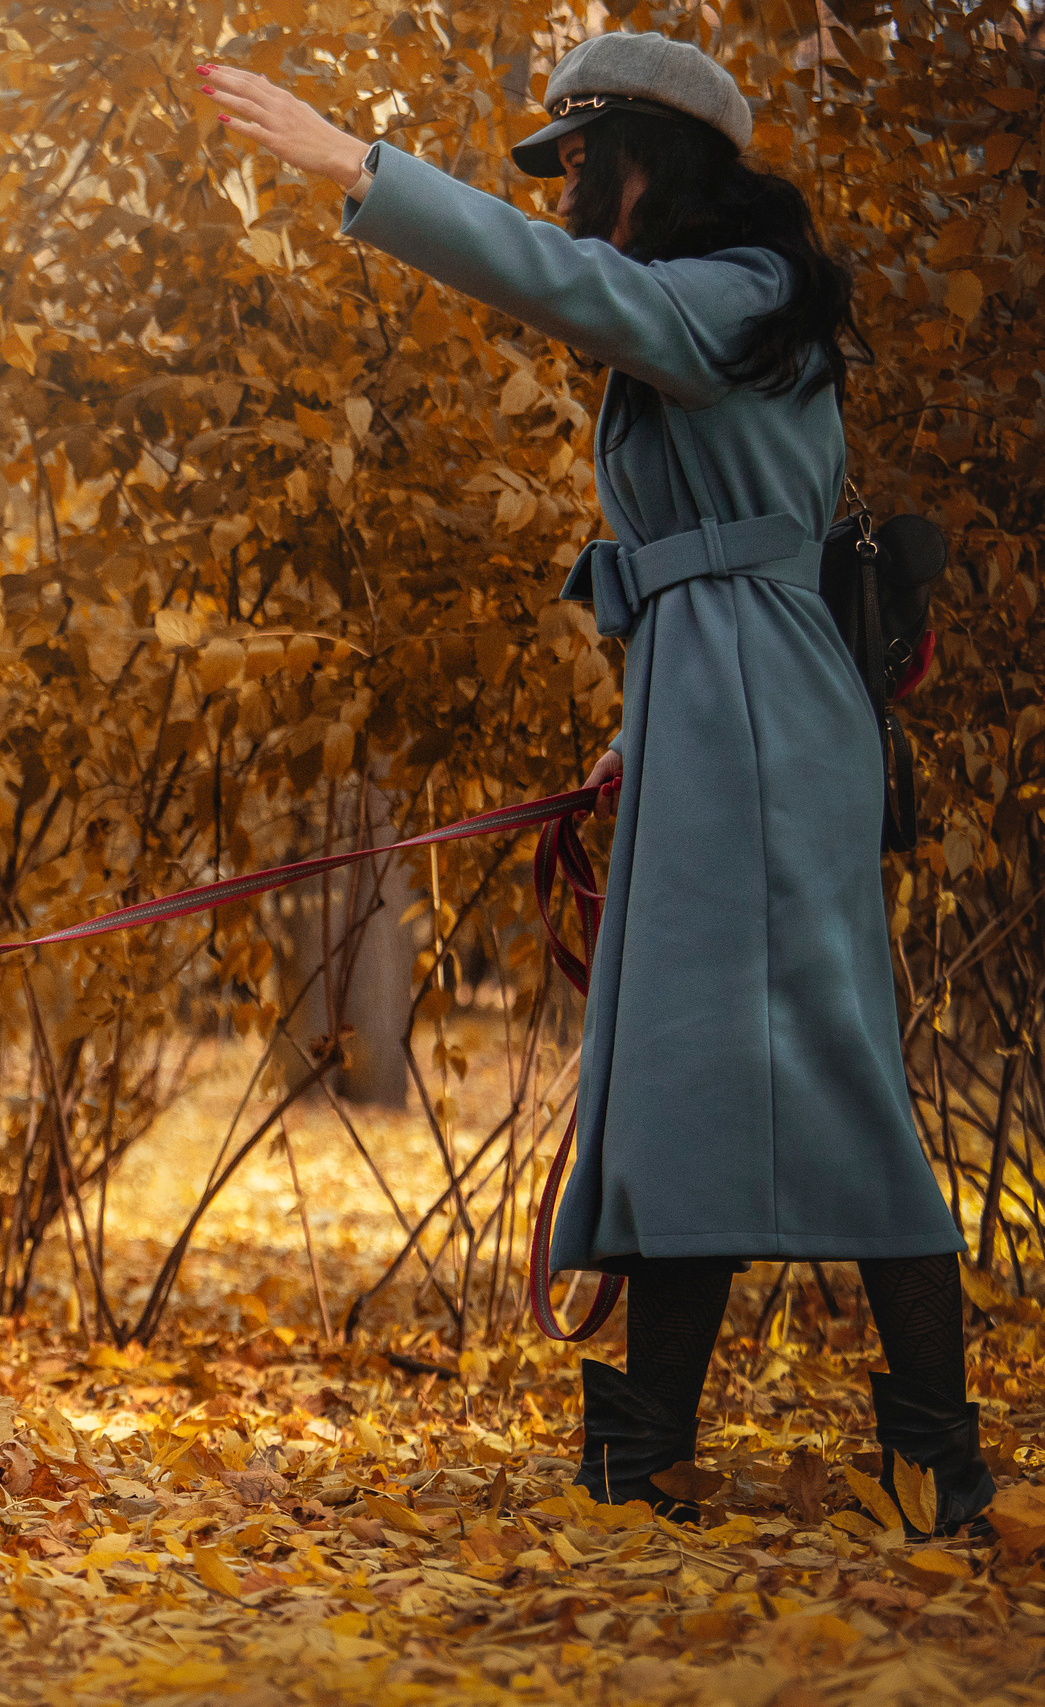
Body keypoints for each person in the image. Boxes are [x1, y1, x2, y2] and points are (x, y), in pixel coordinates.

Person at [201, 33, 990, 1534]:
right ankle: (648, 1449)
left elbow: (593, 309)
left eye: (580, 162)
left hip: (764, 716)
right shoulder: (701, 315)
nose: (567, 193)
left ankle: (932, 1452)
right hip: (717, 709)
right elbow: (699, 566)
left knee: (822, 1067)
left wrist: (359, 168)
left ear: (655, 160)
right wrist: (646, 732)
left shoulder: (740, 297)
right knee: (689, 1079)